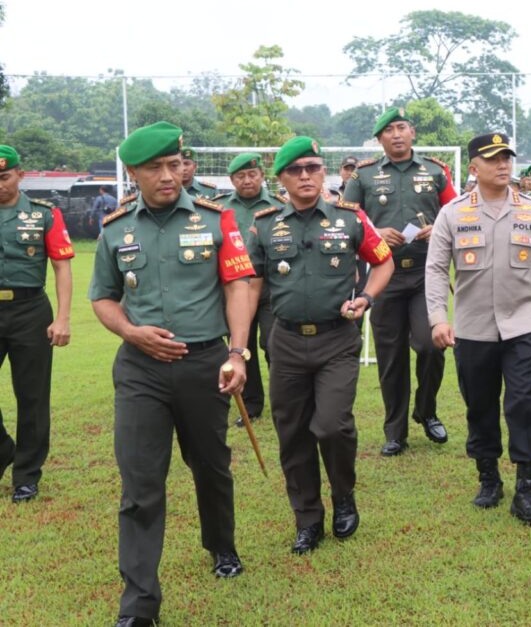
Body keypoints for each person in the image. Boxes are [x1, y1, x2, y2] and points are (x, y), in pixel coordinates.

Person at [89, 122, 254, 626]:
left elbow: (239, 284)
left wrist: (239, 353)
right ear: (134, 173)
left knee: (210, 465)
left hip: (205, 363)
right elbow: (103, 297)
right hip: (140, 371)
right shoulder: (116, 229)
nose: (168, 175)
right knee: (140, 485)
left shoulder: (216, 219)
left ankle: (220, 544)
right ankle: (139, 605)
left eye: (174, 165)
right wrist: (131, 333)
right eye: (154, 168)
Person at [248, 136, 394, 554]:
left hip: (336, 339)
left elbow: (381, 259)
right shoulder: (263, 224)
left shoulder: (350, 218)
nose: (306, 176)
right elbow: (251, 283)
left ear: (323, 172)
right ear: (281, 179)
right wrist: (238, 344)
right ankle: (307, 518)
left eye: (313, 168)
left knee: (332, 425)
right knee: (292, 433)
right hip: (287, 342)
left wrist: (366, 296)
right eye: (296, 170)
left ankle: (343, 495)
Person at [425, 132, 531, 526]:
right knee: (480, 405)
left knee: (525, 402)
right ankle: (488, 476)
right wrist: (439, 318)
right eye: (493, 159)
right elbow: (435, 270)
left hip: (523, 325)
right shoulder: (451, 213)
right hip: (473, 328)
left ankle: (527, 488)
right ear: (473, 167)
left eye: (507, 158)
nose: (503, 165)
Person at [343, 106, 455, 456]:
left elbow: (456, 213)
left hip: (426, 275)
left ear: (413, 132)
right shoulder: (362, 176)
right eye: (388, 130)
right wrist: (374, 232)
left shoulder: (436, 172)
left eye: (401, 127)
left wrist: (438, 228)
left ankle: (427, 410)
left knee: (430, 345)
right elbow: (345, 223)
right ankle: (396, 431)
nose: (396, 134)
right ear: (379, 139)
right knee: (391, 358)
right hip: (384, 277)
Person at [0, 144, 74, 504]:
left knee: (31, 396)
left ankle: (26, 475)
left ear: (19, 175)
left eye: (4, 177)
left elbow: (61, 266)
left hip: (30, 311)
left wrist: (62, 317)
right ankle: (4, 450)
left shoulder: (44, 214)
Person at [215, 153, 286, 425]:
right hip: (233, 290)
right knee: (239, 347)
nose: (248, 180)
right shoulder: (219, 207)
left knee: (272, 343)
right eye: (241, 176)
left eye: (253, 174)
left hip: (270, 288)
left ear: (262, 176)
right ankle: (252, 404)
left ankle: (283, 401)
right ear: (232, 180)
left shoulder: (279, 206)